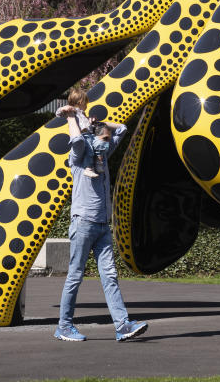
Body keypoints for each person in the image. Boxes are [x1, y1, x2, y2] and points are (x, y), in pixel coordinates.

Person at [55, 95, 148, 342]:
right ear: (94, 138)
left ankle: (123, 325)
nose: (107, 143)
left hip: (102, 226)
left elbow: (124, 128)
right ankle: (64, 326)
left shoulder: (103, 156)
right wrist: (73, 115)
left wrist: (103, 124)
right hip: (83, 223)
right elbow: (76, 138)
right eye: (104, 139)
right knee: (75, 276)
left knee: (110, 276)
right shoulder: (80, 154)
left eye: (107, 140)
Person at [56, 88, 100, 179]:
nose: (87, 106)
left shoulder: (82, 113)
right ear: (80, 102)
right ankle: (88, 168)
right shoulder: (73, 110)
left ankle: (97, 164)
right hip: (83, 136)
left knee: (97, 147)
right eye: (86, 103)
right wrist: (64, 108)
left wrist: (91, 121)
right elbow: (58, 113)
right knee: (90, 151)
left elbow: (85, 123)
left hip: (89, 135)